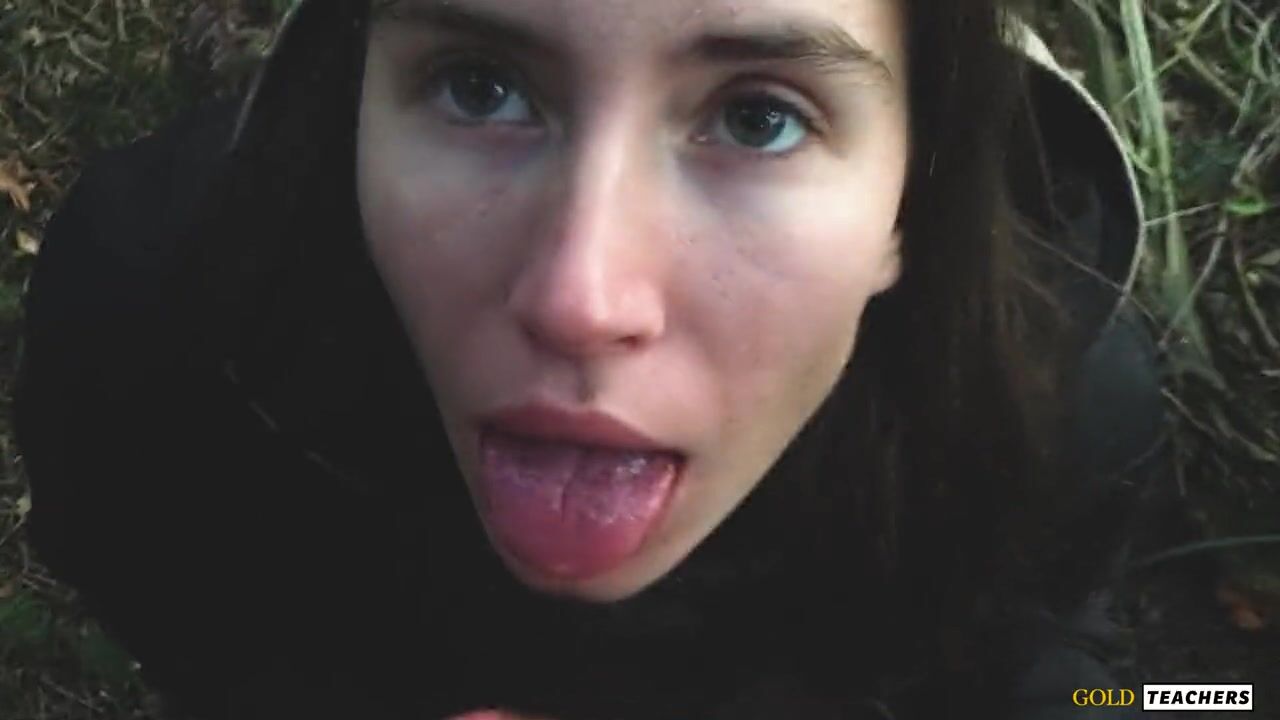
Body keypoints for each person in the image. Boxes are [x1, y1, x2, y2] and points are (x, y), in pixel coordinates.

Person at [14, 0, 1164, 718]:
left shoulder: (1052, 395)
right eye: (480, 86)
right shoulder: (156, 298)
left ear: (910, 197)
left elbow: (1072, 667)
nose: (579, 301)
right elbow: (153, 596)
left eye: (757, 118)